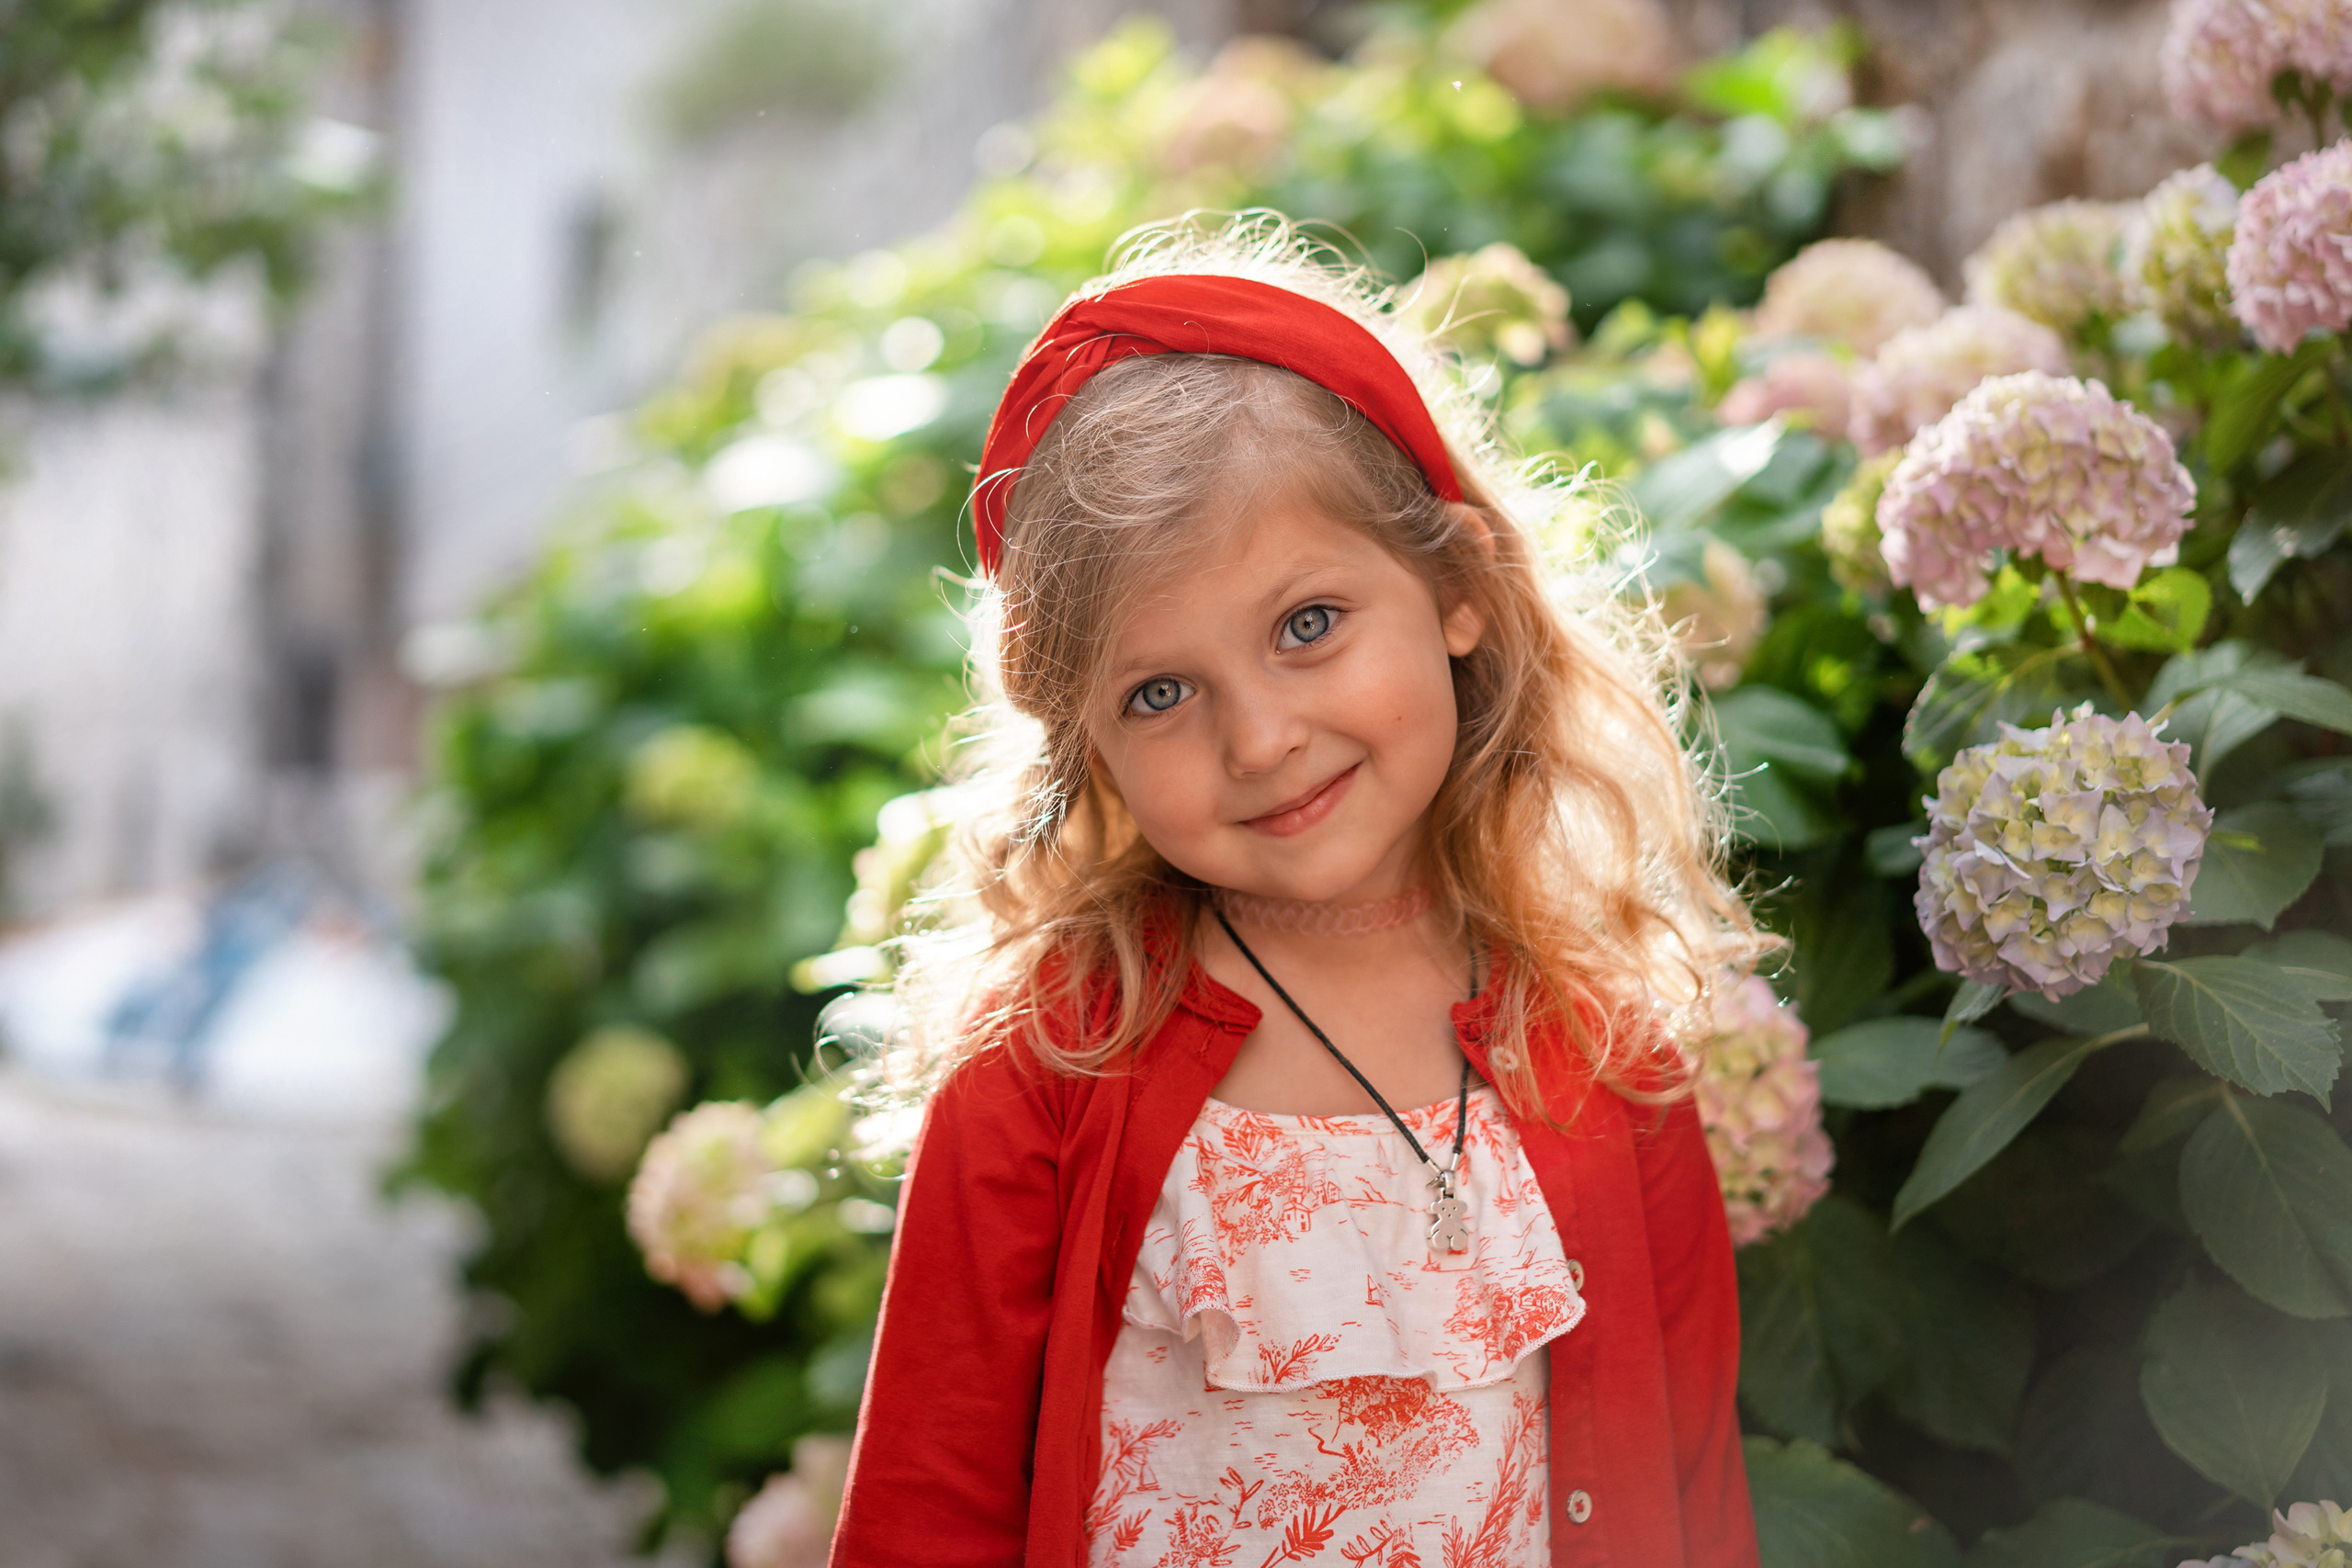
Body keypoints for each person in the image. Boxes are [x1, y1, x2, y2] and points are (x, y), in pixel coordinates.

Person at [830, 216, 1769, 1568]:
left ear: (1457, 587)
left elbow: (1691, 1508)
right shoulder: (1045, 1072)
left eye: (1307, 626)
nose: (1259, 738)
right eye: (1161, 692)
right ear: (1089, 747)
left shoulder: (1606, 1065)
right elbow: (926, 1521)